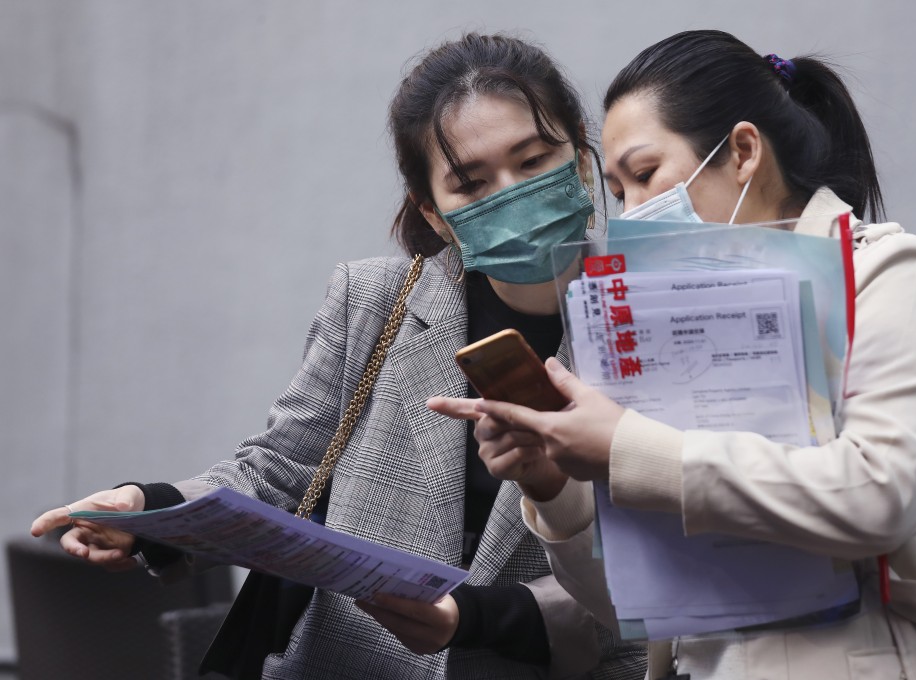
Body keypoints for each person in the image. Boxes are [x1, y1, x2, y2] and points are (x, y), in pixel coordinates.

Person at [30, 33, 645, 680]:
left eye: (532, 159)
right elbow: (277, 470)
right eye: (471, 183)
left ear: (580, 154)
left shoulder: (650, 318)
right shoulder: (371, 302)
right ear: (433, 213)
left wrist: (474, 617)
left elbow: (657, 567)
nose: (510, 193)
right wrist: (154, 511)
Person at [430, 30, 916, 679]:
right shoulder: (663, 325)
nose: (633, 213)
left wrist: (623, 446)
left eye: (645, 175)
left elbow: (878, 497)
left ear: (743, 152)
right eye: (617, 192)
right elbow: (630, 610)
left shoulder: (890, 275)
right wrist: (550, 482)